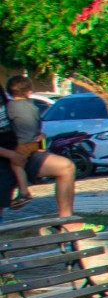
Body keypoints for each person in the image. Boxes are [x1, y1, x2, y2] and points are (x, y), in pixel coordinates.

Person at [2, 76, 76, 221]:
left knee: (18, 164)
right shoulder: (32, 106)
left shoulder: (9, 105)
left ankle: (66, 221)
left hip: (20, 147)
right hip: (27, 146)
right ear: (29, 91)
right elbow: (35, 127)